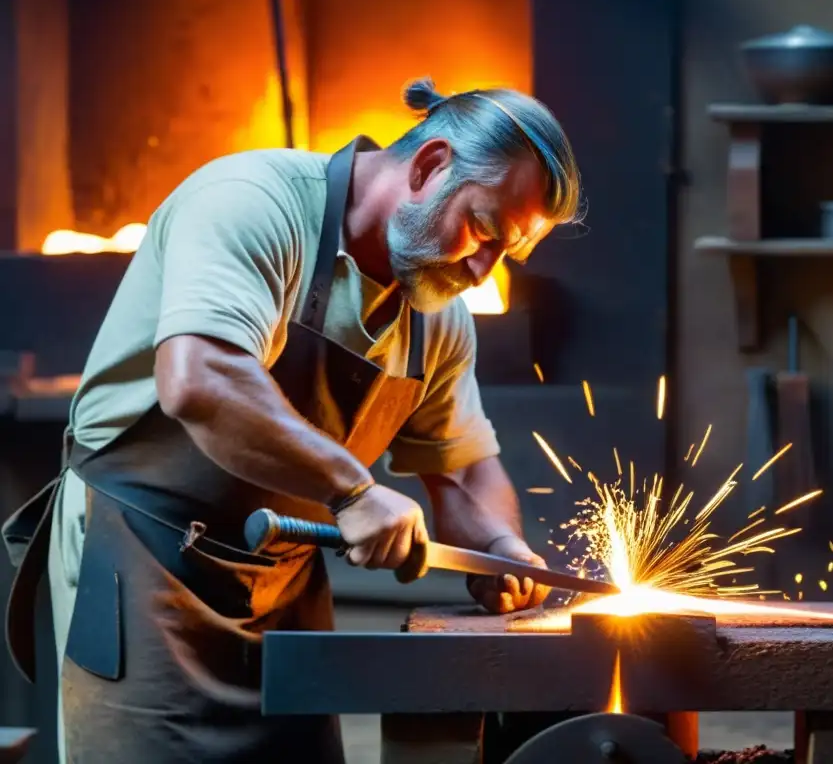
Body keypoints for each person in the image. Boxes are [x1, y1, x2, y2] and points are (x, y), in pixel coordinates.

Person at [3, 76, 584, 763]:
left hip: (283, 589)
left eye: (505, 252)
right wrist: (354, 491)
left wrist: (498, 550)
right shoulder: (254, 203)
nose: (484, 269)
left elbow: (459, 472)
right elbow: (201, 379)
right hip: (142, 561)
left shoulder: (438, 314)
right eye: (483, 229)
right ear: (429, 165)